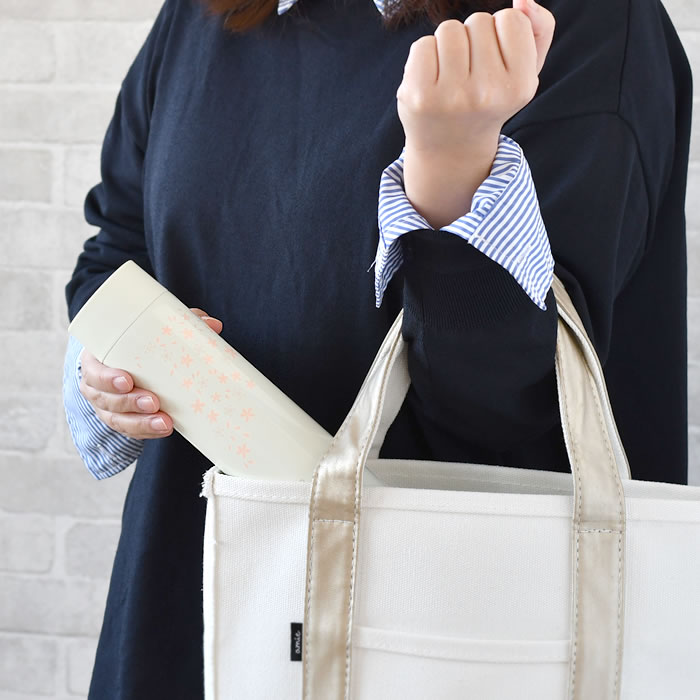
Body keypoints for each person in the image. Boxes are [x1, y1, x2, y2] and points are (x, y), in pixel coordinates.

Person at [62, 0, 693, 696]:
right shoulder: (200, 15)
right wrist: (110, 366)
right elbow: (119, 242)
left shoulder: (583, 22)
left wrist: (453, 172)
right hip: (186, 596)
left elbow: (515, 413)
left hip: (434, 635)